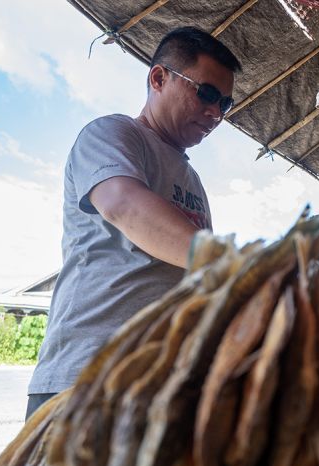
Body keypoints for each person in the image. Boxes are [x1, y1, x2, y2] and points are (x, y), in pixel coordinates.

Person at [26, 27, 241, 419]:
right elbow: (123, 204)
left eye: (225, 103)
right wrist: (241, 265)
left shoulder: (192, 181)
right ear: (158, 78)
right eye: (207, 93)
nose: (216, 113)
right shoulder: (112, 134)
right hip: (88, 379)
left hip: (160, 390)